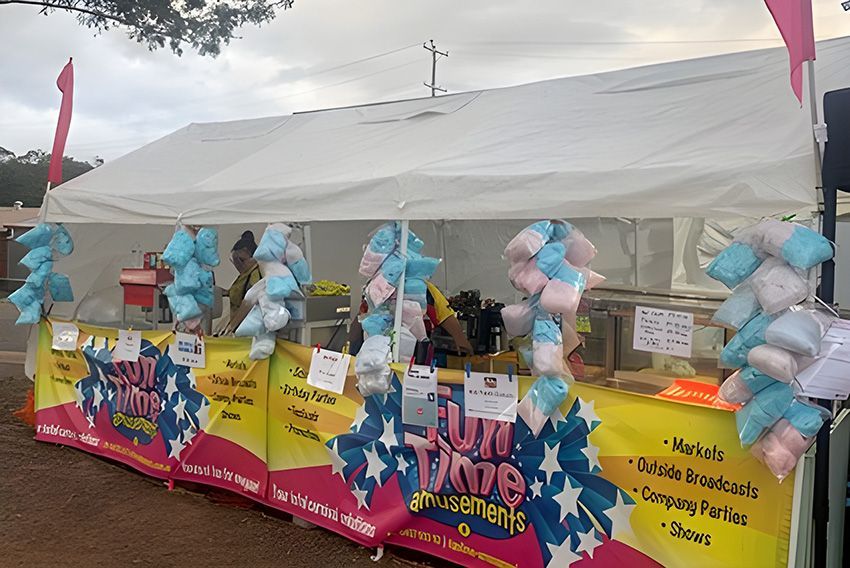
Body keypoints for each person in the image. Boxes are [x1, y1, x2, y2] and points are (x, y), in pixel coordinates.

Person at [348, 280, 473, 357]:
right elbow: (362, 317)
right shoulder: (376, 286)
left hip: (404, 349)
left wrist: (460, 339)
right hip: (389, 350)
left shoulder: (423, 288)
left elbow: (444, 314)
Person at [220, 231, 262, 334]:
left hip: (247, 327)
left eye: (240, 260)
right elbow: (238, 293)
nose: (237, 265)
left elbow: (249, 302)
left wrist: (231, 326)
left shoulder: (255, 275)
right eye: (234, 261)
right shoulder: (244, 274)